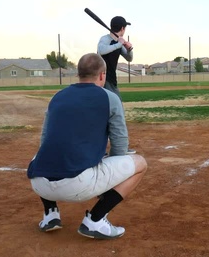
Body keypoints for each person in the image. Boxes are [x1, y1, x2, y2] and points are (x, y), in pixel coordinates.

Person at [27, 53, 147, 240]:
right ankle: (96, 220)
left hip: (39, 182)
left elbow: (45, 140)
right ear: (102, 75)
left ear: (79, 74)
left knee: (45, 153)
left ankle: (50, 214)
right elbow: (120, 144)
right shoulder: (109, 97)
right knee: (140, 164)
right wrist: (109, 182)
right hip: (78, 185)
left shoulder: (57, 97)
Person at [97, 15, 136, 154]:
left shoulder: (118, 42)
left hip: (111, 81)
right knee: (116, 112)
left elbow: (129, 58)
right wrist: (119, 44)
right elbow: (101, 51)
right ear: (122, 28)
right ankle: (120, 149)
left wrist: (128, 47)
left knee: (108, 113)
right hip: (102, 81)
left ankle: (112, 148)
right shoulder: (105, 40)